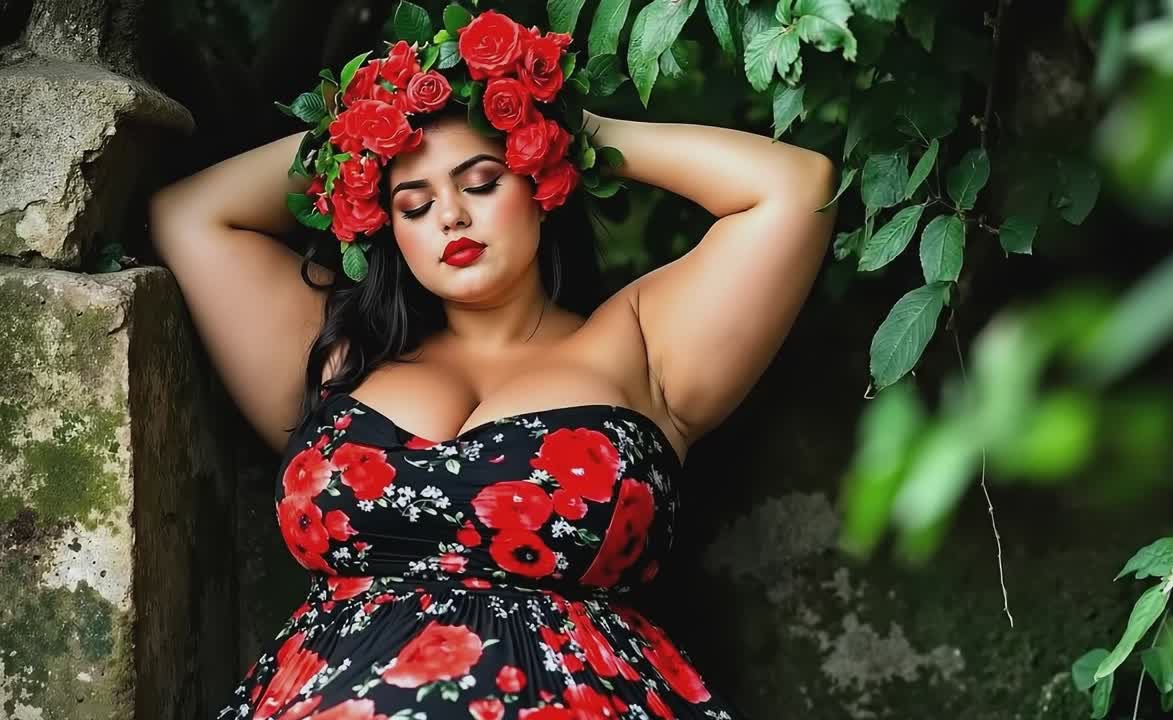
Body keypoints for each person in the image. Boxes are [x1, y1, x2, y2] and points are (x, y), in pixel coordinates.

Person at [149, 8, 836, 719]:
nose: (450, 215)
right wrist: (356, 132)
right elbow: (189, 216)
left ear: (541, 182)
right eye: (414, 205)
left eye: (480, 182)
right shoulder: (340, 349)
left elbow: (795, 189)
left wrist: (562, 123)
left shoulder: (638, 342)